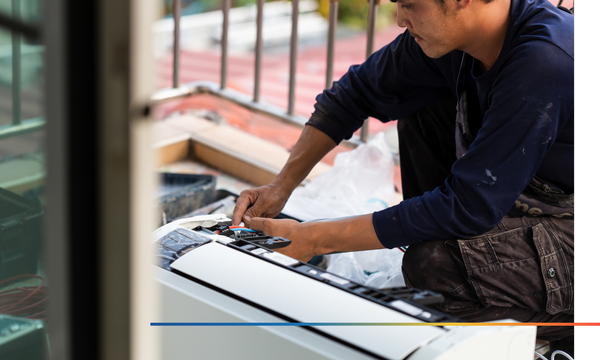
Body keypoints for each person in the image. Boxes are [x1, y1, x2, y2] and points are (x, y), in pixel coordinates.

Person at [232, 0, 577, 357]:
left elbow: (468, 206)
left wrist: (316, 239)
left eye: (409, 4)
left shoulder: (546, 61)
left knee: (434, 268)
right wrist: (280, 186)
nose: (399, 19)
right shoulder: (456, 40)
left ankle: (569, 329)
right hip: (513, 198)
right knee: (418, 101)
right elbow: (355, 93)